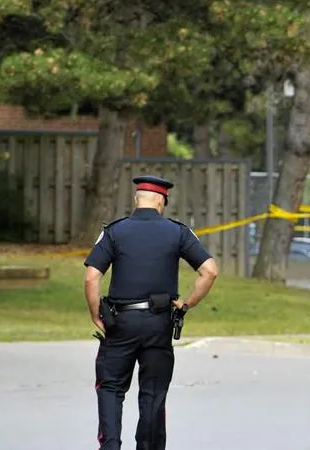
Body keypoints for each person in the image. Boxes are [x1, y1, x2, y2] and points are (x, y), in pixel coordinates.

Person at [84, 175, 219, 450]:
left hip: (120, 322)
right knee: (153, 392)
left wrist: (95, 312)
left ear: (137, 200)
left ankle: (110, 446)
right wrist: (186, 304)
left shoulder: (115, 231)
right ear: (161, 201)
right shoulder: (178, 232)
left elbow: (91, 277)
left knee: (110, 388)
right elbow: (210, 271)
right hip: (159, 323)